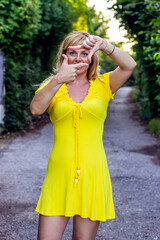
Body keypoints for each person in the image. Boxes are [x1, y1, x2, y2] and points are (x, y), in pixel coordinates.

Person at [30, 31, 136, 240]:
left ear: (92, 57)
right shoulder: (52, 86)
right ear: (64, 56)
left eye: (84, 53)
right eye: (72, 52)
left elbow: (129, 65)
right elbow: (36, 109)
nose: (78, 59)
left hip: (93, 174)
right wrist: (57, 80)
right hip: (59, 175)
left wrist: (104, 44)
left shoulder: (104, 85)